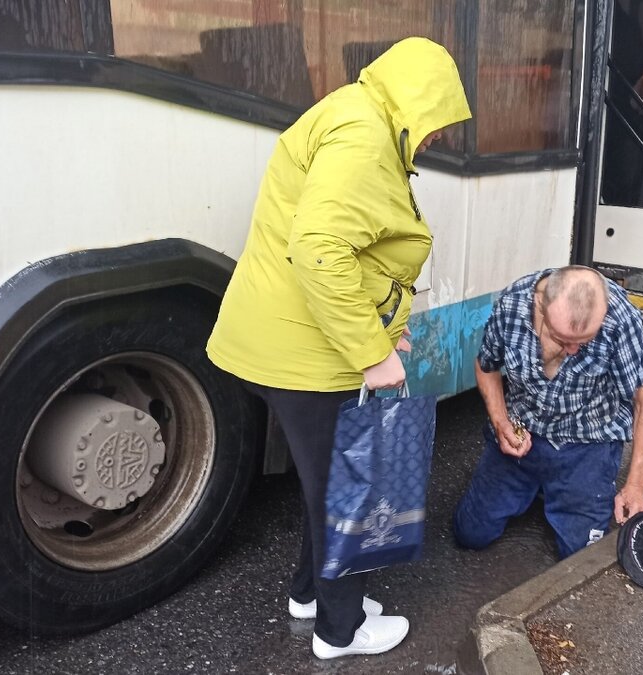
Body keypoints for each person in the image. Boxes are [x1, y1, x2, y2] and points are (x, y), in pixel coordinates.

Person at [206, 38, 470, 659]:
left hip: (290, 338)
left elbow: (348, 250)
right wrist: (372, 353)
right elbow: (321, 252)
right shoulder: (364, 136)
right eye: (437, 123)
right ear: (418, 101)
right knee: (341, 489)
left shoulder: (356, 113)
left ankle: (310, 595)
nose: (435, 139)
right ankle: (340, 631)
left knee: (326, 479)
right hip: (303, 352)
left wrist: (379, 326)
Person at [453, 265, 643, 559]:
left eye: (584, 340)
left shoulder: (620, 316)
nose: (573, 350)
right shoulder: (514, 302)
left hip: (588, 442)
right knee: (469, 534)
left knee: (579, 557)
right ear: (541, 305)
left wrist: (636, 486)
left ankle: (562, 489)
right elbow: (486, 366)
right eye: (563, 339)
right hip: (523, 431)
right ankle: (541, 488)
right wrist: (501, 423)